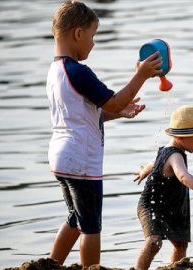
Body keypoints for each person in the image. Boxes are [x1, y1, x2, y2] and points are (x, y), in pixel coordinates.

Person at [46, 0, 163, 267]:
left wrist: (117, 113)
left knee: (75, 218)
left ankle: (51, 264)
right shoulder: (79, 72)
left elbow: (84, 112)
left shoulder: (55, 71)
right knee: (91, 226)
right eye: (92, 36)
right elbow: (113, 101)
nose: (93, 44)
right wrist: (141, 75)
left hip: (60, 157)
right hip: (81, 160)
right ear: (78, 33)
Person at [133, 105, 193, 270]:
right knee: (154, 241)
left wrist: (144, 171)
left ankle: (175, 268)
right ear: (182, 138)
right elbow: (183, 176)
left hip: (172, 205)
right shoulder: (175, 155)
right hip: (153, 206)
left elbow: (153, 163)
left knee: (180, 243)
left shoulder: (167, 151)